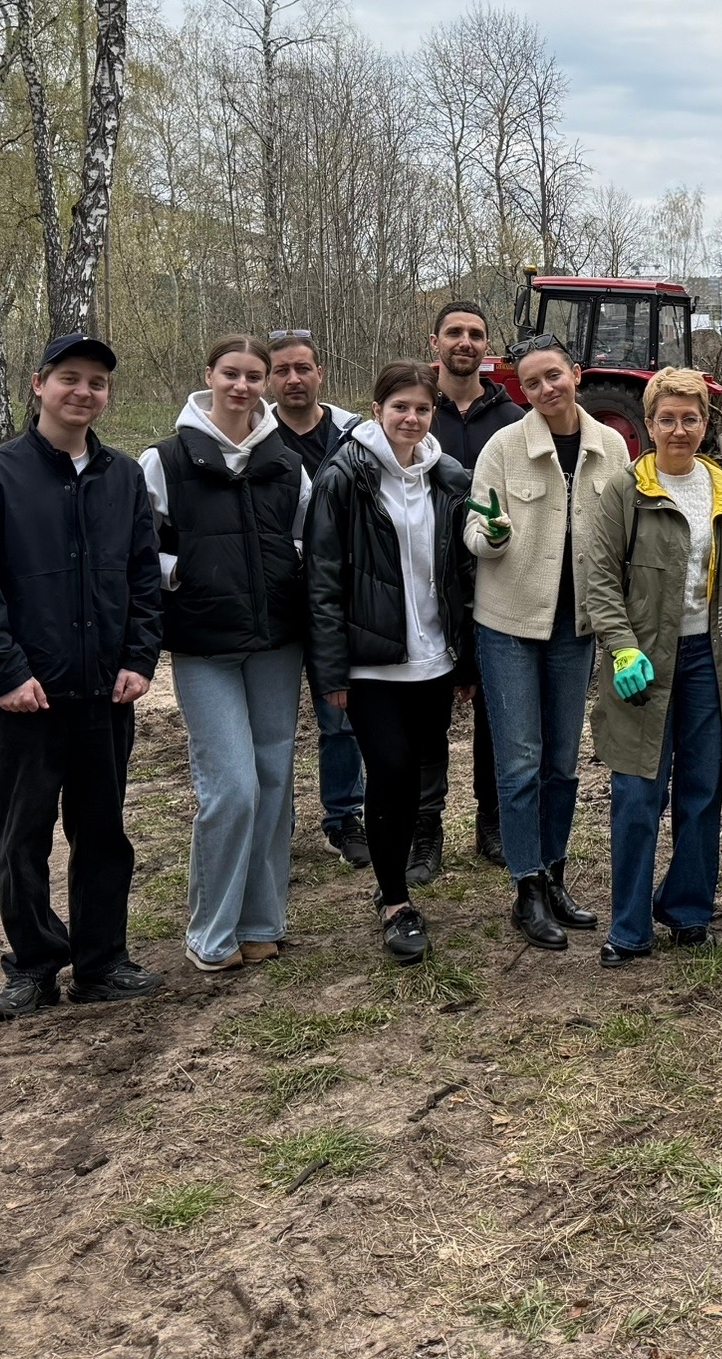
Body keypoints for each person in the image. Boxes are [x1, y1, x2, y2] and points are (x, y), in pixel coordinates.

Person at [0, 333, 164, 1019]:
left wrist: (138, 658)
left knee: (103, 834)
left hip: (104, 694)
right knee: (21, 838)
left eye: (97, 382)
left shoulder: (123, 478)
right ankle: (35, 965)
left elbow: (142, 577)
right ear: (38, 384)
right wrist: (6, 672)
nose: (83, 392)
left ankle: (102, 961)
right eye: (70, 378)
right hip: (24, 701)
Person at [578, 365, 722, 967]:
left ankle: (689, 911)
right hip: (644, 662)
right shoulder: (625, 491)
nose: (679, 429)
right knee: (637, 793)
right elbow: (601, 577)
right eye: (668, 418)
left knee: (702, 790)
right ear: (650, 421)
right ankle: (630, 926)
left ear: (705, 422)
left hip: (708, 665)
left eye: (690, 418)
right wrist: (622, 646)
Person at [141, 337, 310, 975]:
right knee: (231, 788)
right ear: (209, 375)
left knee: (272, 784)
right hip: (205, 645)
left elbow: (307, 536)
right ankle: (211, 929)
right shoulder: (164, 460)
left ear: (266, 383)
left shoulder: (286, 461)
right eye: (231, 374)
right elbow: (134, 547)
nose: (242, 386)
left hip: (276, 643)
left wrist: (288, 571)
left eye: (253, 376)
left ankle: (262, 921)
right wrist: (181, 571)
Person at [306, 362, 475, 967]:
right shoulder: (344, 478)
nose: (411, 418)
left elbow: (461, 572)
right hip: (372, 660)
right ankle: (395, 901)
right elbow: (321, 579)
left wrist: (466, 661)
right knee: (392, 771)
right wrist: (329, 672)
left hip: (433, 656)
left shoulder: (448, 478)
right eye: (399, 406)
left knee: (423, 767)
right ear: (376, 409)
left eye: (422, 409)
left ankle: (402, 865)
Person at [467, 333, 625, 951]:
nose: (545, 390)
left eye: (553, 376)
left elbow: (620, 531)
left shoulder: (609, 445)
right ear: (521, 390)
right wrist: (495, 537)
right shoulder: (503, 448)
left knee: (562, 760)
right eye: (531, 383)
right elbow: (475, 532)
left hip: (574, 625)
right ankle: (526, 886)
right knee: (521, 760)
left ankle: (555, 873)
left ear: (576, 374)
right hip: (509, 622)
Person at [264, 330, 367, 868]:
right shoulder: (255, 440)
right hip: (277, 601)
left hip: (340, 600)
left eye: (302, 368)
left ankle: (344, 816)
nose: (293, 379)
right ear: (268, 379)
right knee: (273, 723)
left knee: (340, 713)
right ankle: (274, 824)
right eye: (281, 370)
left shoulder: (352, 435)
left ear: (320, 372)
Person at [427, 302, 520, 875]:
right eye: (455, 333)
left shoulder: (512, 418)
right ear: (434, 341)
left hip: (495, 583)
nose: (466, 342)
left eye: (476, 335)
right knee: (426, 713)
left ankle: (493, 820)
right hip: (426, 588)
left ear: (488, 346)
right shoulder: (414, 410)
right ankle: (425, 828)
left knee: (496, 711)